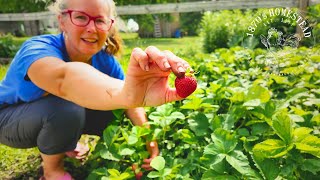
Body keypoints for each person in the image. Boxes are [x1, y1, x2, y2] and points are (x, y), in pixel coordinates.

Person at [0, 0, 192, 179]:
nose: (91, 28)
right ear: (62, 21)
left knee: (114, 110)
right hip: (9, 119)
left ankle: (65, 141)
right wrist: (125, 93)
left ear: (109, 26)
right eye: (81, 17)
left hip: (51, 115)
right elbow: (65, 80)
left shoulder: (105, 60)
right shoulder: (37, 49)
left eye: (100, 20)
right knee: (66, 108)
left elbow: (130, 104)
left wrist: (147, 140)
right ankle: (52, 172)